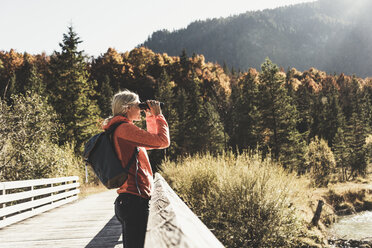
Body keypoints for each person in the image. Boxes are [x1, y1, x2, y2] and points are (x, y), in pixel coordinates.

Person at [102, 89, 170, 248]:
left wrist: (150, 116)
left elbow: (153, 142)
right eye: (138, 105)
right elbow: (163, 141)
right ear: (127, 108)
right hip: (134, 201)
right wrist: (158, 116)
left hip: (130, 200)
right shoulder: (124, 129)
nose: (140, 108)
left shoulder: (121, 128)